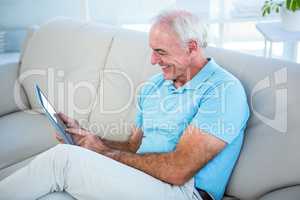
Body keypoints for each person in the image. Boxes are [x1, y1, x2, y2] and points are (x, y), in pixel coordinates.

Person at [0, 10, 249, 200]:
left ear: (191, 47)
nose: (153, 60)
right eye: (152, 51)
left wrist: (104, 153)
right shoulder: (155, 86)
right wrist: (91, 140)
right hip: (142, 180)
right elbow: (134, 146)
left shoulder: (223, 91)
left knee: (63, 161)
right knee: (58, 179)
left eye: (160, 52)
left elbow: (178, 170)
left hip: (183, 193)